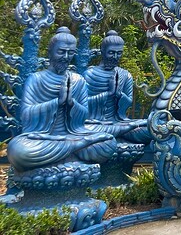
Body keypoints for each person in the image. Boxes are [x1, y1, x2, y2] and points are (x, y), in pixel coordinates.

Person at [7, 27, 116, 172]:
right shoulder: (36, 79)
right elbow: (26, 114)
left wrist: (71, 103)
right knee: (18, 152)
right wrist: (57, 102)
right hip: (43, 139)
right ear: (50, 52)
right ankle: (72, 151)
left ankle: (67, 151)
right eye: (61, 51)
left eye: (70, 53)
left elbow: (84, 116)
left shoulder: (78, 80)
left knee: (108, 142)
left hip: (72, 135)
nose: (66, 56)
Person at [84, 30, 150, 144]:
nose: (115, 57)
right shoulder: (89, 74)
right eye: (111, 52)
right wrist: (108, 94)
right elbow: (82, 104)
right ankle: (113, 134)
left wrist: (119, 95)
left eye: (119, 53)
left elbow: (128, 102)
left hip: (118, 122)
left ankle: (115, 133)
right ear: (102, 51)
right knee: (88, 130)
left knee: (148, 130)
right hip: (95, 124)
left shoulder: (125, 75)